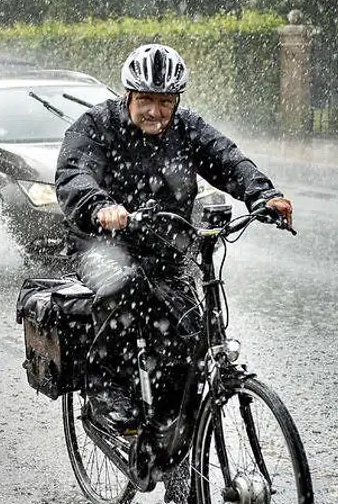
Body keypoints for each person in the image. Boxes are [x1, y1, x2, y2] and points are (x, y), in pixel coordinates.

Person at [54, 43, 293, 440]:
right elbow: (73, 175)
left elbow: (228, 159)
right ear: (128, 95)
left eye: (165, 102)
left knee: (190, 336)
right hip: (99, 245)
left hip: (165, 249)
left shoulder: (187, 129)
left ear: (177, 100)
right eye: (146, 99)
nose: (155, 111)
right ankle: (104, 388)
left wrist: (262, 195)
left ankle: (171, 436)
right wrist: (100, 206)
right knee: (123, 287)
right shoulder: (95, 126)